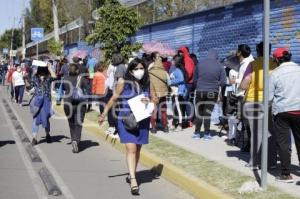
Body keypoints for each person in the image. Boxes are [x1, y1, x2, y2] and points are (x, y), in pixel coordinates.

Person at [98, 58, 155, 195]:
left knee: (138, 148)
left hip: (141, 119)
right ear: (130, 70)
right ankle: (133, 179)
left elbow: (155, 99)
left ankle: (131, 173)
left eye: (142, 68)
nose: (139, 71)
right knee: (131, 148)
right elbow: (113, 98)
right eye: (136, 69)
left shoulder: (147, 82)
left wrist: (150, 100)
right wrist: (104, 114)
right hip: (126, 119)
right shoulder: (123, 82)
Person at [240, 42, 277, 170]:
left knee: (257, 132)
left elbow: (244, 85)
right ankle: (271, 162)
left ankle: (255, 162)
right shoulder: (275, 64)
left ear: (257, 51)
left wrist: (240, 85)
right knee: (270, 132)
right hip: (270, 102)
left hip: (253, 101)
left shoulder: (253, 64)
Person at [269, 48, 300, 183]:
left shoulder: (275, 74)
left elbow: (269, 97)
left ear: (276, 60)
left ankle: (286, 174)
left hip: (282, 112)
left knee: (283, 143)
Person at [193, 49, 226, 140]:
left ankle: (197, 133)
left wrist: (198, 86)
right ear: (216, 56)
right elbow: (223, 82)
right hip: (212, 92)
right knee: (207, 113)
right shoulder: (220, 66)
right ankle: (207, 134)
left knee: (199, 112)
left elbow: (194, 79)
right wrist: (216, 85)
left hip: (200, 90)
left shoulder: (199, 64)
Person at [227, 44, 254, 146]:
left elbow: (247, 80)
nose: (235, 52)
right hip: (240, 94)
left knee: (244, 121)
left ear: (240, 52)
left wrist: (235, 80)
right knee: (240, 119)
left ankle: (246, 143)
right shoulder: (244, 63)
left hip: (243, 94)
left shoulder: (247, 63)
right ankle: (243, 141)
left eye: (237, 51)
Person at [63, 63, 88, 153]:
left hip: (67, 103)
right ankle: (76, 141)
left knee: (71, 123)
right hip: (80, 104)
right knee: (78, 123)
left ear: (69, 70)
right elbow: (87, 90)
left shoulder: (65, 78)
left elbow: (62, 89)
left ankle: (73, 139)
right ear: (77, 71)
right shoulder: (82, 79)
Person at [30, 61, 57, 145]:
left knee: (35, 119)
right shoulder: (48, 78)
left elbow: (31, 83)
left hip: (37, 100)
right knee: (46, 118)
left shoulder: (35, 78)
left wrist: (35, 70)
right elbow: (55, 76)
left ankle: (34, 138)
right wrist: (49, 68)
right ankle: (47, 135)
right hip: (46, 100)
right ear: (46, 70)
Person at [148, 52, 169, 133]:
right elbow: (169, 82)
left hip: (153, 93)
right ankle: (165, 127)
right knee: (163, 110)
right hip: (163, 93)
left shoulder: (150, 70)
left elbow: (148, 81)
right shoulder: (164, 71)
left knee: (153, 110)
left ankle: (153, 127)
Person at [168, 55, 187, 131]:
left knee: (178, 109)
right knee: (175, 108)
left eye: (173, 60)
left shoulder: (178, 70)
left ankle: (180, 125)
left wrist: (170, 82)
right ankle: (174, 123)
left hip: (177, 92)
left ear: (176, 61)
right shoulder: (176, 70)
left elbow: (181, 79)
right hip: (174, 92)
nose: (172, 61)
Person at [178, 46, 195, 127]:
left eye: (181, 52)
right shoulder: (186, 59)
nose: (180, 53)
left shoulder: (187, 59)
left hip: (187, 83)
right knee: (187, 101)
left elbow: (189, 72)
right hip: (188, 83)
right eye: (179, 52)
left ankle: (189, 120)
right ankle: (189, 119)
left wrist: (183, 80)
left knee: (185, 101)